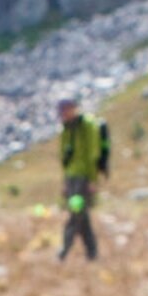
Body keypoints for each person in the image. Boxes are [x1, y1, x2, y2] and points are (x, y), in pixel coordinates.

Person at [55, 97, 109, 261]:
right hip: (71, 178)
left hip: (84, 178)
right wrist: (65, 182)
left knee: (75, 214)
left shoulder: (87, 126)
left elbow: (93, 153)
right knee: (82, 216)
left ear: (74, 108)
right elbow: (65, 158)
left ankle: (64, 251)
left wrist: (92, 180)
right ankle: (92, 253)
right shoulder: (66, 129)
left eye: (66, 109)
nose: (63, 113)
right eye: (61, 110)